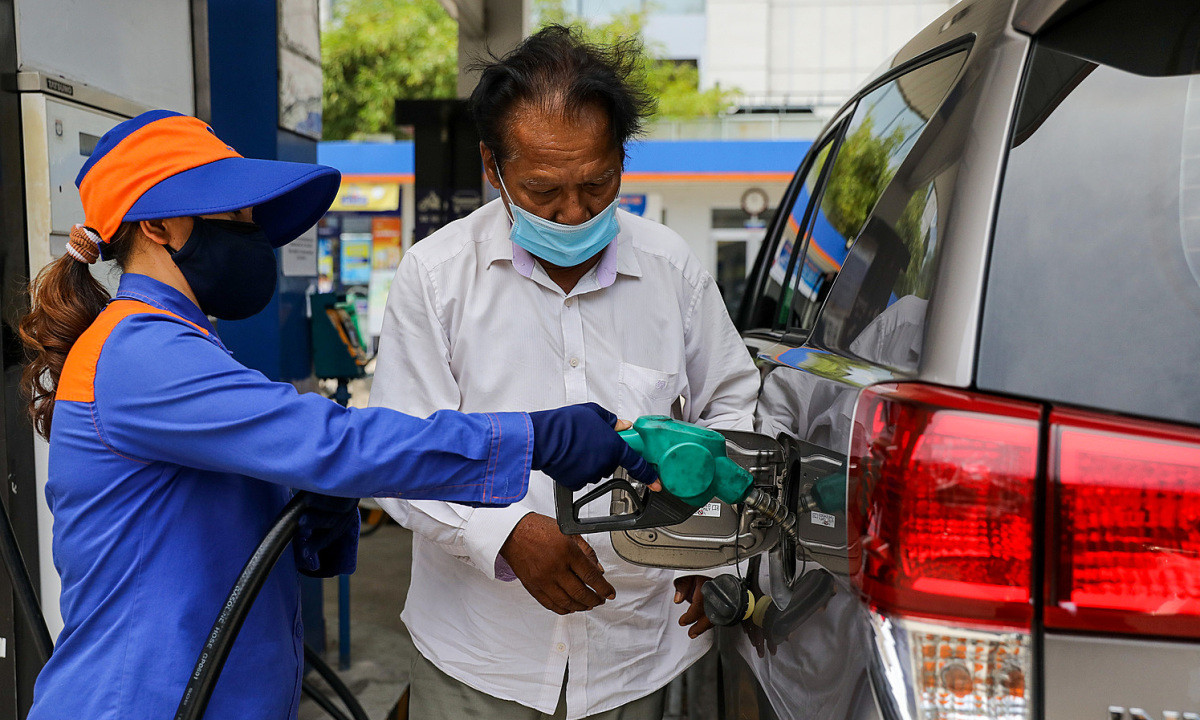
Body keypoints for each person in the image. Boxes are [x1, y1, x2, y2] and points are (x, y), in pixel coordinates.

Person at [17, 110, 657, 720]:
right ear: (157, 227)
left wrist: (309, 510)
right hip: (138, 702)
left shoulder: (180, 345)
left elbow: (196, 529)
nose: (254, 230)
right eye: (235, 213)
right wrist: (532, 437)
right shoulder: (139, 351)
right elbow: (336, 443)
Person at [372, 26, 760, 720]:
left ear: (621, 160)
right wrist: (507, 536)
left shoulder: (671, 270)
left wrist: (717, 549)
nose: (575, 213)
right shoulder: (436, 278)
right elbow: (403, 451)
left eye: (597, 184)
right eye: (544, 190)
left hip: (642, 655)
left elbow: (734, 410)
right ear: (494, 168)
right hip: (481, 662)